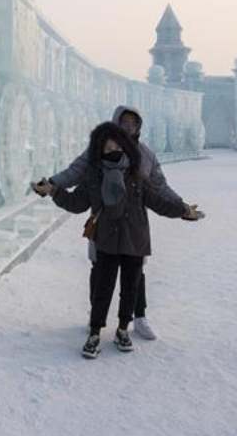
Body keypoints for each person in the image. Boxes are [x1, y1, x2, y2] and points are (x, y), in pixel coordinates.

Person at [32, 105, 194, 341]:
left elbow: (158, 188)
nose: (128, 127)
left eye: (133, 123)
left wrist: (182, 206)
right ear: (115, 123)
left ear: (139, 126)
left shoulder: (145, 155)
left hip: (132, 227)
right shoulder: (96, 151)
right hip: (103, 226)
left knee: (135, 274)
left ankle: (138, 318)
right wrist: (52, 184)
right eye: (124, 122)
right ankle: (96, 320)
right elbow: (76, 173)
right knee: (100, 271)